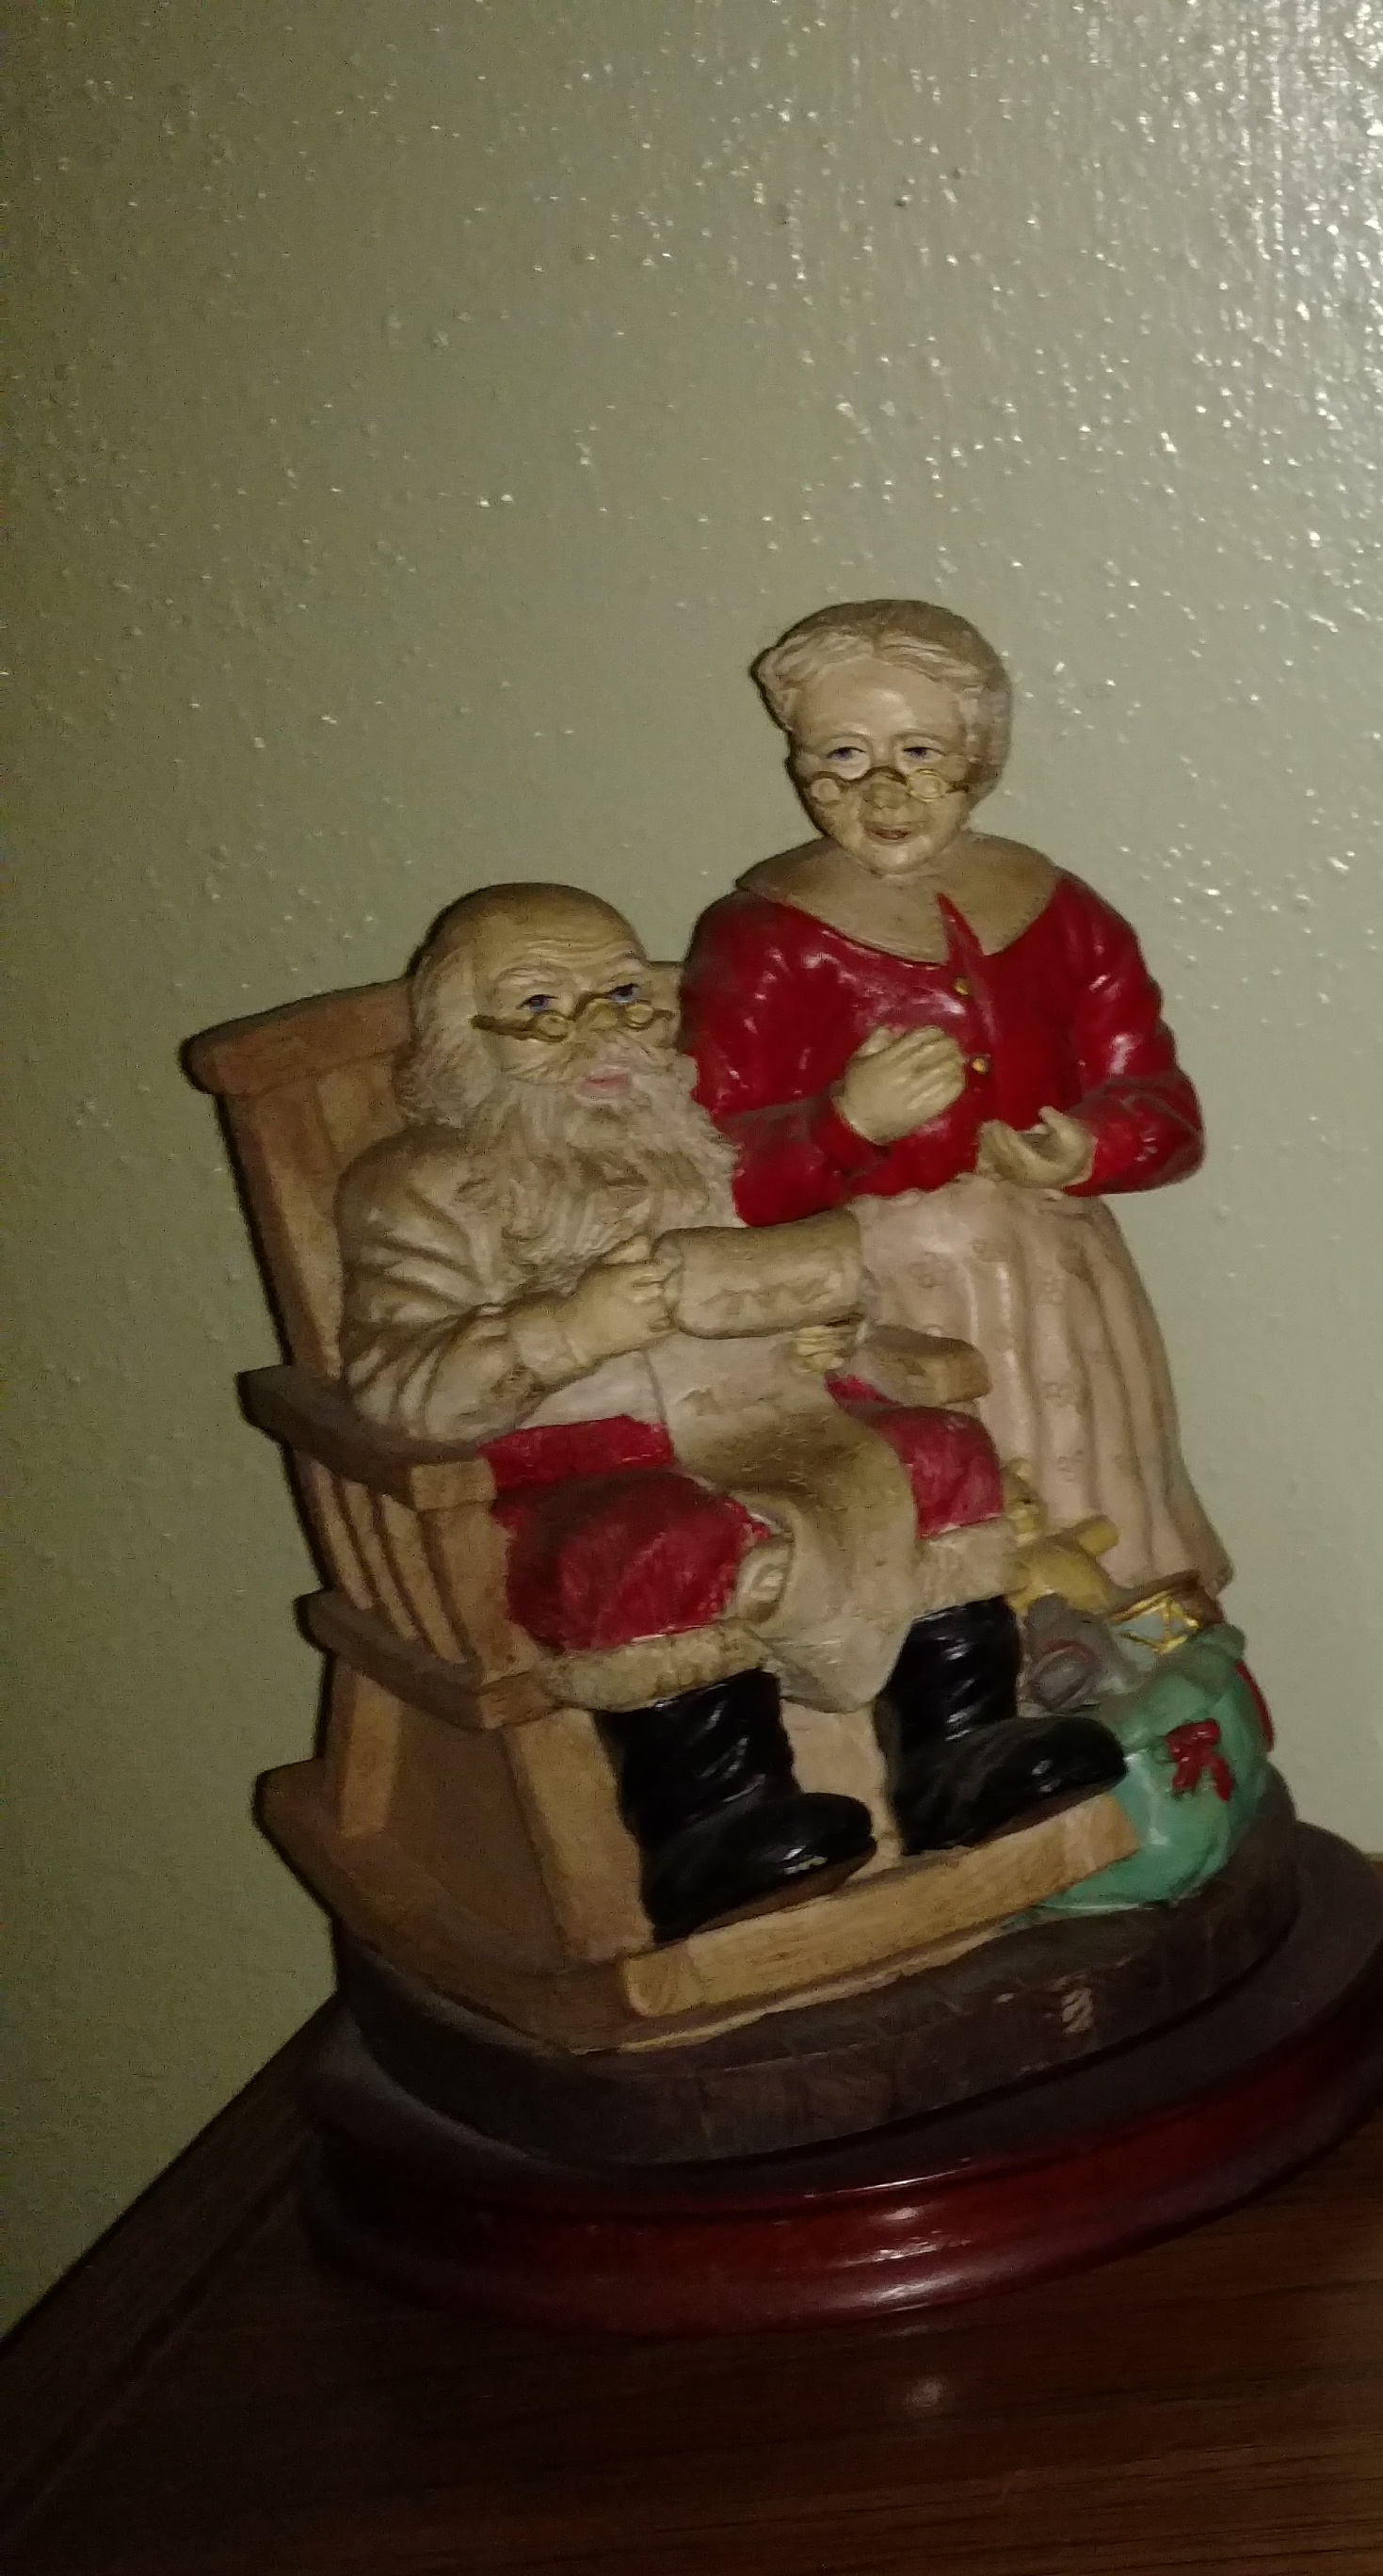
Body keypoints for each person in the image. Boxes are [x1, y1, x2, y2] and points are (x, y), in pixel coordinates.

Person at [341, 885, 1118, 1936]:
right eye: (538, 1007)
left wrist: (834, 1331)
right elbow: (394, 1384)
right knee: (656, 1540)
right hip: (590, 1460)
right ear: (461, 1041)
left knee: (941, 1454)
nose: (599, 1032)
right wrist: (564, 1328)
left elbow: (810, 1266)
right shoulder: (422, 1189)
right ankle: (717, 1821)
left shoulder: (700, 1145)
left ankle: (961, 1750)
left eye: (625, 995)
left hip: (782, 1416)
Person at [681, 599, 1230, 1611]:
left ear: (980, 758)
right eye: (843, 755)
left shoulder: (1061, 914)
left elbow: (1165, 1106)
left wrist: (1091, 1145)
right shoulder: (765, 939)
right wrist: (845, 1123)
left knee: (1100, 1497)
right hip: (878, 1286)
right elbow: (705, 1165)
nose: (883, 789)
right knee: (946, 1538)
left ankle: (1139, 1672)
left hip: (1060, 1278)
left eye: (919, 752)